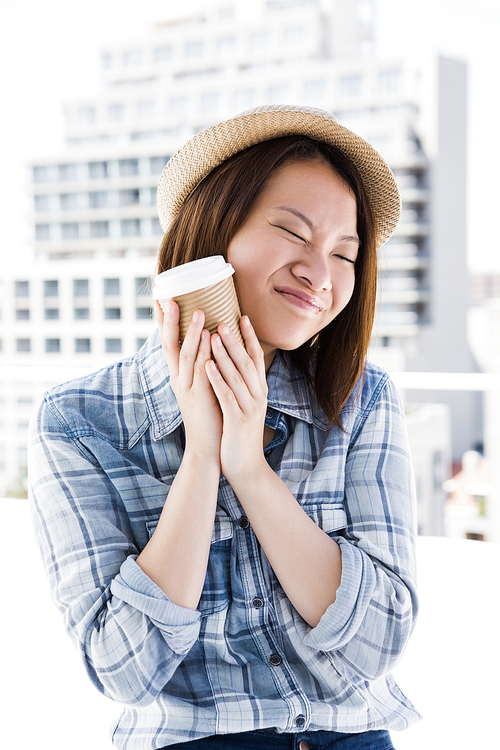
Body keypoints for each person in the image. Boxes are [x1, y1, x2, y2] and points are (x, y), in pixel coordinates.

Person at [29, 105, 421, 750]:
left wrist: (251, 469)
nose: (320, 275)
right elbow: (123, 670)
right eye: (293, 233)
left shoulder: (362, 398)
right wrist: (202, 457)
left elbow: (379, 640)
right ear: (213, 232)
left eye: (344, 254)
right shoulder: (80, 420)